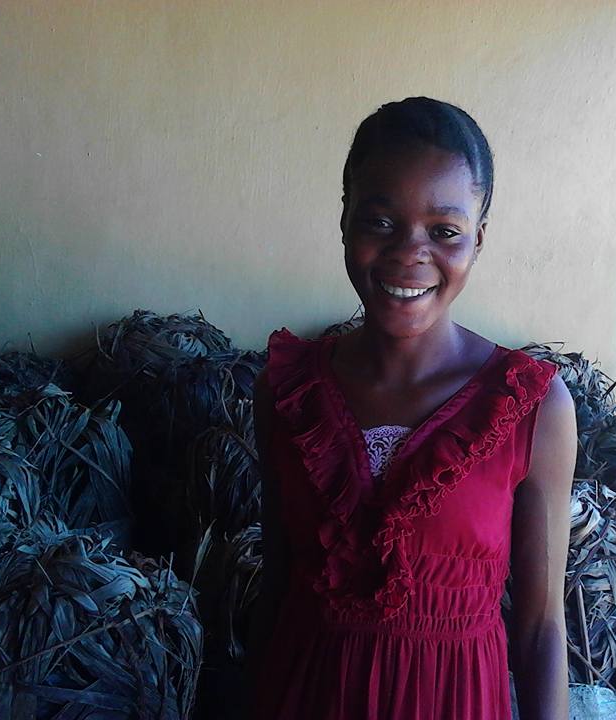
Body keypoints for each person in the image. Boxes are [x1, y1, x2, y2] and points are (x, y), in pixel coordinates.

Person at [249, 97, 576, 720]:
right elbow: (277, 586)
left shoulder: (532, 409)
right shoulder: (288, 394)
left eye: (444, 231)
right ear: (344, 220)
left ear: (478, 239)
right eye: (380, 221)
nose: (409, 252)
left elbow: (540, 629)